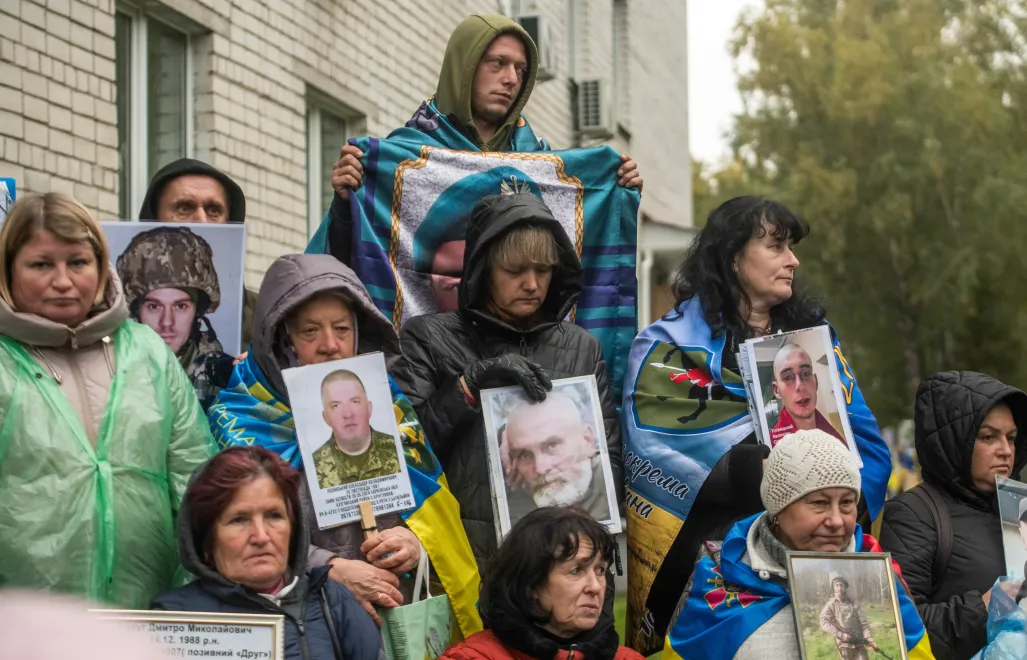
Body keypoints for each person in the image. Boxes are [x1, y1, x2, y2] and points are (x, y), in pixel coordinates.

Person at [620, 195, 892, 652]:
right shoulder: (667, 345)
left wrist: (829, 503)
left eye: (792, 248)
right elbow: (654, 454)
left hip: (811, 554)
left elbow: (865, 444)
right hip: (709, 560)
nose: (793, 260)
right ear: (732, 257)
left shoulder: (816, 344)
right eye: (777, 247)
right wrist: (749, 473)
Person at [208, 253, 480, 630]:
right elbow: (227, 537)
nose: (330, 345)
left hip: (395, 626)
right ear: (279, 338)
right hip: (295, 630)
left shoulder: (389, 405)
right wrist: (329, 570)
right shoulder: (239, 416)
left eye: (341, 328)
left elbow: (434, 510)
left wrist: (416, 544)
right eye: (309, 332)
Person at [0, 192, 215, 608]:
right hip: (24, 622)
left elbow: (195, 478)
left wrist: (192, 593)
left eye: (78, 262)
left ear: (100, 267)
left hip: (148, 611)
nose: (62, 280)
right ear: (9, 270)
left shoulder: (148, 351)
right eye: (41, 264)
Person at [393, 191, 623, 570]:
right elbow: (404, 454)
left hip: (567, 563)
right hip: (469, 563)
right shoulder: (428, 338)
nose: (532, 284)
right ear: (484, 270)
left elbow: (609, 457)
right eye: (515, 271)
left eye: (544, 270)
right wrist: (467, 386)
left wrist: (588, 554)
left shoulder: (582, 347)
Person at [319, 14, 642, 277]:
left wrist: (615, 191)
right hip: (426, 353)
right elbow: (349, 266)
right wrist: (347, 203)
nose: (511, 78)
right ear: (465, 67)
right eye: (497, 63)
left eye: (521, 69)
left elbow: (572, 260)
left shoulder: (544, 168)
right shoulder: (403, 158)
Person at [664, 430, 933, 659]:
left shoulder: (878, 573)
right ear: (777, 510)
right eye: (819, 503)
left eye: (847, 502)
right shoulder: (719, 577)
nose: (837, 521)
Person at [151, 446, 382, 660]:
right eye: (238, 519)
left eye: (274, 515)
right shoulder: (174, 619)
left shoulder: (331, 599)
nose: (261, 536)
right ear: (206, 540)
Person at [880, 371, 1027, 660]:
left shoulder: (1019, 507)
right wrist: (990, 605)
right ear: (954, 440)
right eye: (988, 437)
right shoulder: (916, 513)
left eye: (1011, 438)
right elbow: (896, 629)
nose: (1006, 451)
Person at [439, 507, 644, 660]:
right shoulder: (473, 657)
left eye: (600, 570)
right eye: (576, 571)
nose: (596, 587)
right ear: (530, 583)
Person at [137, 158, 257, 348]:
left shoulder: (265, 317)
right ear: (153, 219)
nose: (202, 221)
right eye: (184, 208)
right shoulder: (111, 316)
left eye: (213, 211)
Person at [117, 226, 234, 408]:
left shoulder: (224, 377)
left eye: (180, 306)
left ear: (197, 311)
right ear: (136, 311)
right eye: (154, 306)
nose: (167, 322)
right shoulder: (110, 370)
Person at [503, 391, 611, 524]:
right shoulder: (511, 506)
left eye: (552, 445)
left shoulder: (619, 483)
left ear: (588, 441)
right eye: (524, 455)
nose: (540, 468)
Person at [312, 369, 402, 489]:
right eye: (336, 406)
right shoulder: (313, 466)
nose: (348, 414)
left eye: (354, 401)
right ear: (326, 417)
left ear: (369, 409)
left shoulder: (399, 449)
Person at [769, 342, 845, 446]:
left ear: (816, 382)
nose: (800, 386)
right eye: (787, 377)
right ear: (777, 390)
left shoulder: (837, 437)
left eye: (805, 374)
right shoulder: (771, 448)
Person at [820, 572, 875, 660]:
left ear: (845, 587)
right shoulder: (831, 604)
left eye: (841, 585)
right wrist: (840, 634)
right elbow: (823, 621)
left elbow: (863, 622)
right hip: (844, 645)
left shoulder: (854, 603)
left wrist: (869, 639)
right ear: (833, 588)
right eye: (837, 585)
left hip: (859, 642)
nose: (839, 588)